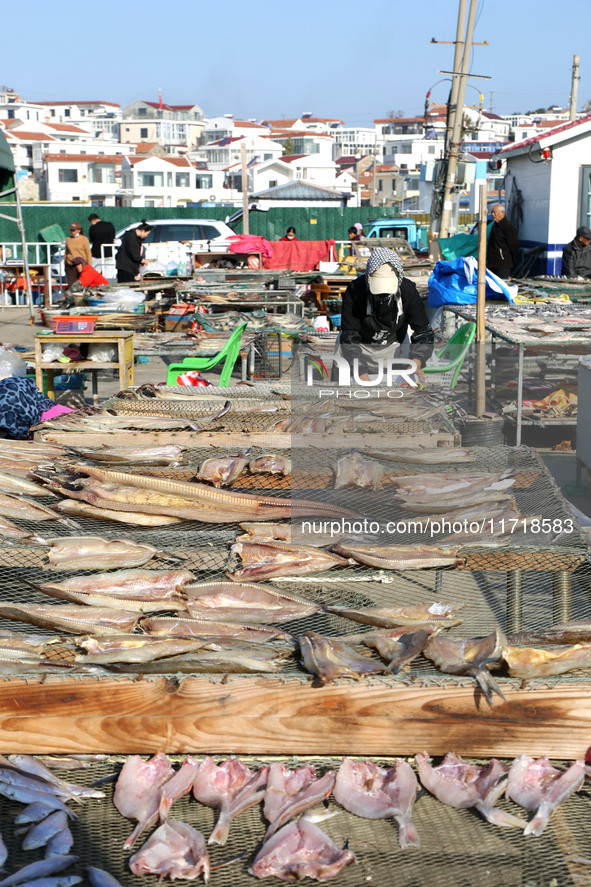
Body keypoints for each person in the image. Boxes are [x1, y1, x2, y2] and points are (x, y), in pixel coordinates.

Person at [339, 247, 434, 381]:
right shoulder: (355, 290)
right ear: (368, 278)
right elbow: (349, 335)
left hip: (395, 347)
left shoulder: (407, 291)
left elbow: (423, 332)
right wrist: (361, 373)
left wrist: (416, 362)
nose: (382, 297)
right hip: (360, 348)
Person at [486, 204, 519, 279]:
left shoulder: (508, 227)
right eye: (492, 212)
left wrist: (505, 257)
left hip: (503, 264)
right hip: (492, 263)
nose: (492, 214)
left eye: (494, 212)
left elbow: (513, 245)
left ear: (502, 213)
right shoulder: (495, 226)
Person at [64, 222, 92, 288]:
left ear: (79, 230)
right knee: (71, 285)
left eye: (73, 230)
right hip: (70, 265)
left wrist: (89, 266)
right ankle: (72, 297)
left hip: (81, 265)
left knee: (82, 285)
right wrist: (65, 264)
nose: (72, 232)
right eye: (71, 230)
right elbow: (66, 252)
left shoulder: (84, 239)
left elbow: (88, 253)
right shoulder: (68, 239)